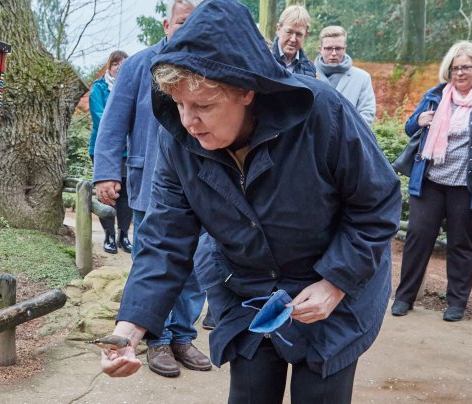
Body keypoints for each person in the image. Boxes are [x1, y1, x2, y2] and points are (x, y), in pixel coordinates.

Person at [99, 1, 401, 402]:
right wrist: (129, 328)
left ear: (246, 90)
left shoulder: (322, 112)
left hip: (335, 281)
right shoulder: (179, 140)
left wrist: (335, 282)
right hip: (246, 286)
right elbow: (164, 239)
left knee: (321, 394)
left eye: (203, 106)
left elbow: (377, 204)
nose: (188, 122)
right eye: (179, 105)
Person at [93, 0, 212, 377]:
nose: (188, 30)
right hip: (149, 182)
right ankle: (156, 340)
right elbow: (113, 122)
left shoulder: (210, 63)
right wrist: (106, 173)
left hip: (201, 184)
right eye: (181, 22)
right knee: (156, 259)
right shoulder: (138, 65)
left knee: (195, 267)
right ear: (166, 24)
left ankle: (182, 335)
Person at [392, 41, 472, 322]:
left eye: (466, 67)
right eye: (455, 68)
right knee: (417, 238)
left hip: (468, 186)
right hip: (431, 181)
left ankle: (456, 303)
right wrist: (419, 120)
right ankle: (403, 297)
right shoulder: (436, 95)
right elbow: (410, 126)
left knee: (462, 244)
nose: (460, 73)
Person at [88, 50, 132, 254]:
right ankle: (109, 236)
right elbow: (101, 118)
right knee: (108, 193)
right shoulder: (99, 88)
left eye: (124, 63)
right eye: (116, 63)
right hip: (104, 148)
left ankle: (124, 234)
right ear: (109, 66)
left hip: (127, 150)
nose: (119, 66)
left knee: (125, 194)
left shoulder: (133, 88)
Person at [314, 25, 376, 126]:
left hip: (350, 138)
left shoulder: (362, 78)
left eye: (338, 48)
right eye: (329, 48)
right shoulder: (308, 75)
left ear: (345, 49)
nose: (333, 53)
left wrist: (348, 135)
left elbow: (367, 114)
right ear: (321, 49)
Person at [271, 5, 316, 77]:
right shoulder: (264, 59)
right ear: (278, 29)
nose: (293, 39)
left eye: (299, 34)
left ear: (306, 35)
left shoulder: (309, 69)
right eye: (289, 32)